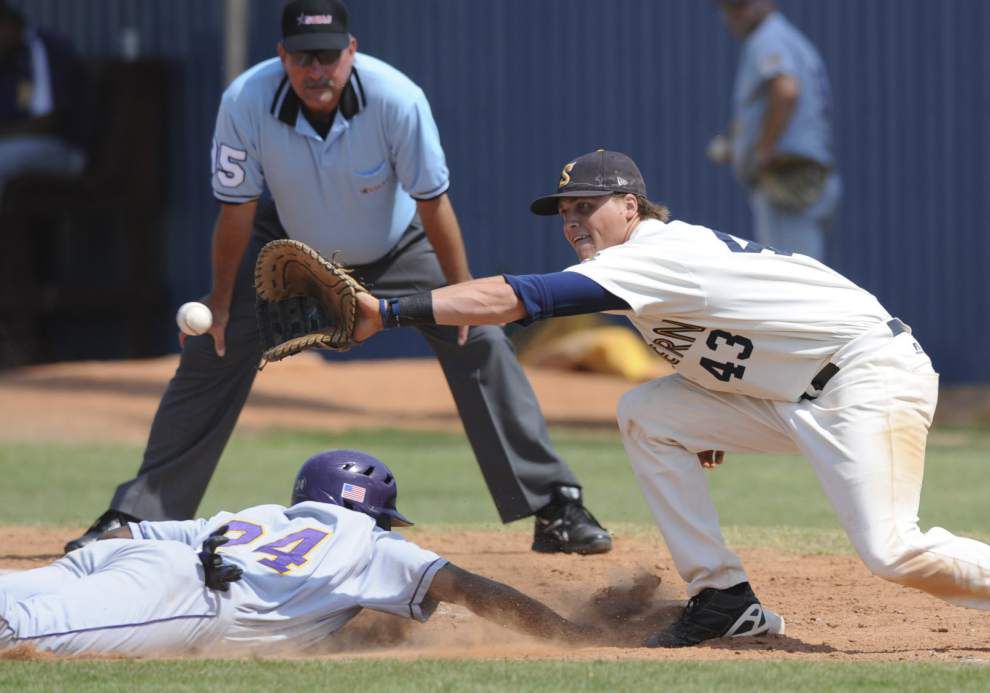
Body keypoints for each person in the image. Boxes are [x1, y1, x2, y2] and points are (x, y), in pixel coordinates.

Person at [353, 147, 990, 648]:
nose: (573, 220)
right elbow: (731, 336)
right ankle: (724, 600)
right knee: (651, 414)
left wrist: (386, 309)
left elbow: (523, 298)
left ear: (630, 206)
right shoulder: (647, 261)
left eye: (587, 205)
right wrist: (704, 421)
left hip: (865, 377)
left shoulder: (653, 255)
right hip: (797, 390)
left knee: (892, 550)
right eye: (565, 211)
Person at [64, 0, 610, 557]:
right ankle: (137, 518)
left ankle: (556, 507)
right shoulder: (245, 101)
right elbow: (236, 211)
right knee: (214, 346)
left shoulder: (398, 99)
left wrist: (463, 293)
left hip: (397, 246)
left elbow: (433, 203)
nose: (316, 70)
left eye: (327, 55)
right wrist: (220, 300)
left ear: (351, 51)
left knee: (483, 340)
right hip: (287, 247)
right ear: (282, 57)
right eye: (302, 58)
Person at [1, 449, 603, 656]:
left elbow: (123, 539)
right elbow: (475, 591)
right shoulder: (376, 546)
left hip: (138, 559)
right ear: (376, 513)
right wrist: (568, 635)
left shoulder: (257, 516)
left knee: (19, 594)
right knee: (19, 633)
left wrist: (78, 575)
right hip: (195, 597)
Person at [707, 0, 840, 262]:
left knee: (793, 282)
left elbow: (786, 90)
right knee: (798, 276)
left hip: (789, 178)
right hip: (806, 176)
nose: (735, 14)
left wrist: (763, 148)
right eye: (729, 8)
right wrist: (740, 147)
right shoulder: (787, 38)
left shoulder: (768, 37)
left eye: (741, 5)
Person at [0, 1, 89, 203]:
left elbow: (46, 123)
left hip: (64, 150)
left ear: (5, 25)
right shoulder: (7, 60)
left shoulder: (41, 48)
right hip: (19, 147)